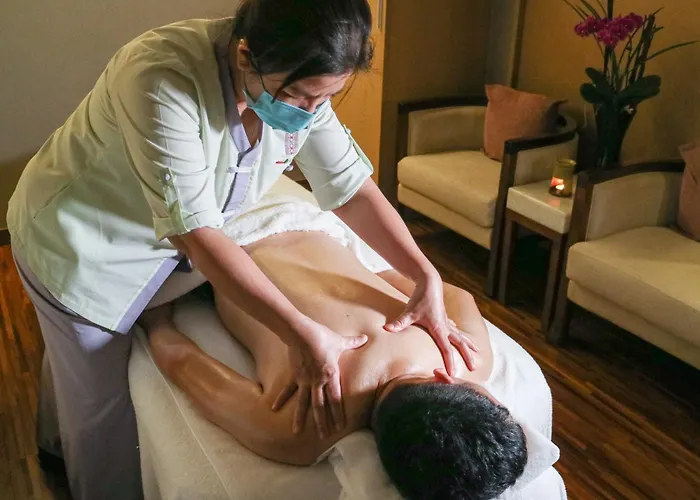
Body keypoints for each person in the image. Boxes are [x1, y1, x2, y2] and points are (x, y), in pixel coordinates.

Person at [7, 1, 479, 498]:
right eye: (297, 96)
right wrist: (299, 332)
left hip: (177, 241)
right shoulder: (160, 77)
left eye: (326, 98)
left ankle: (51, 442)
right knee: (100, 412)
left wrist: (424, 274)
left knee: (72, 377)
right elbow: (196, 233)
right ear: (245, 56)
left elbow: (350, 188)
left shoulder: (299, 87)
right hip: (83, 243)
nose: (310, 113)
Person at [141, 230, 528, 500]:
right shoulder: (296, 430)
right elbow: (182, 361)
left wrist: (377, 280)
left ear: (445, 381)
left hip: (288, 228)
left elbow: (459, 298)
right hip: (227, 248)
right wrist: (156, 318)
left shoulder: (464, 358)